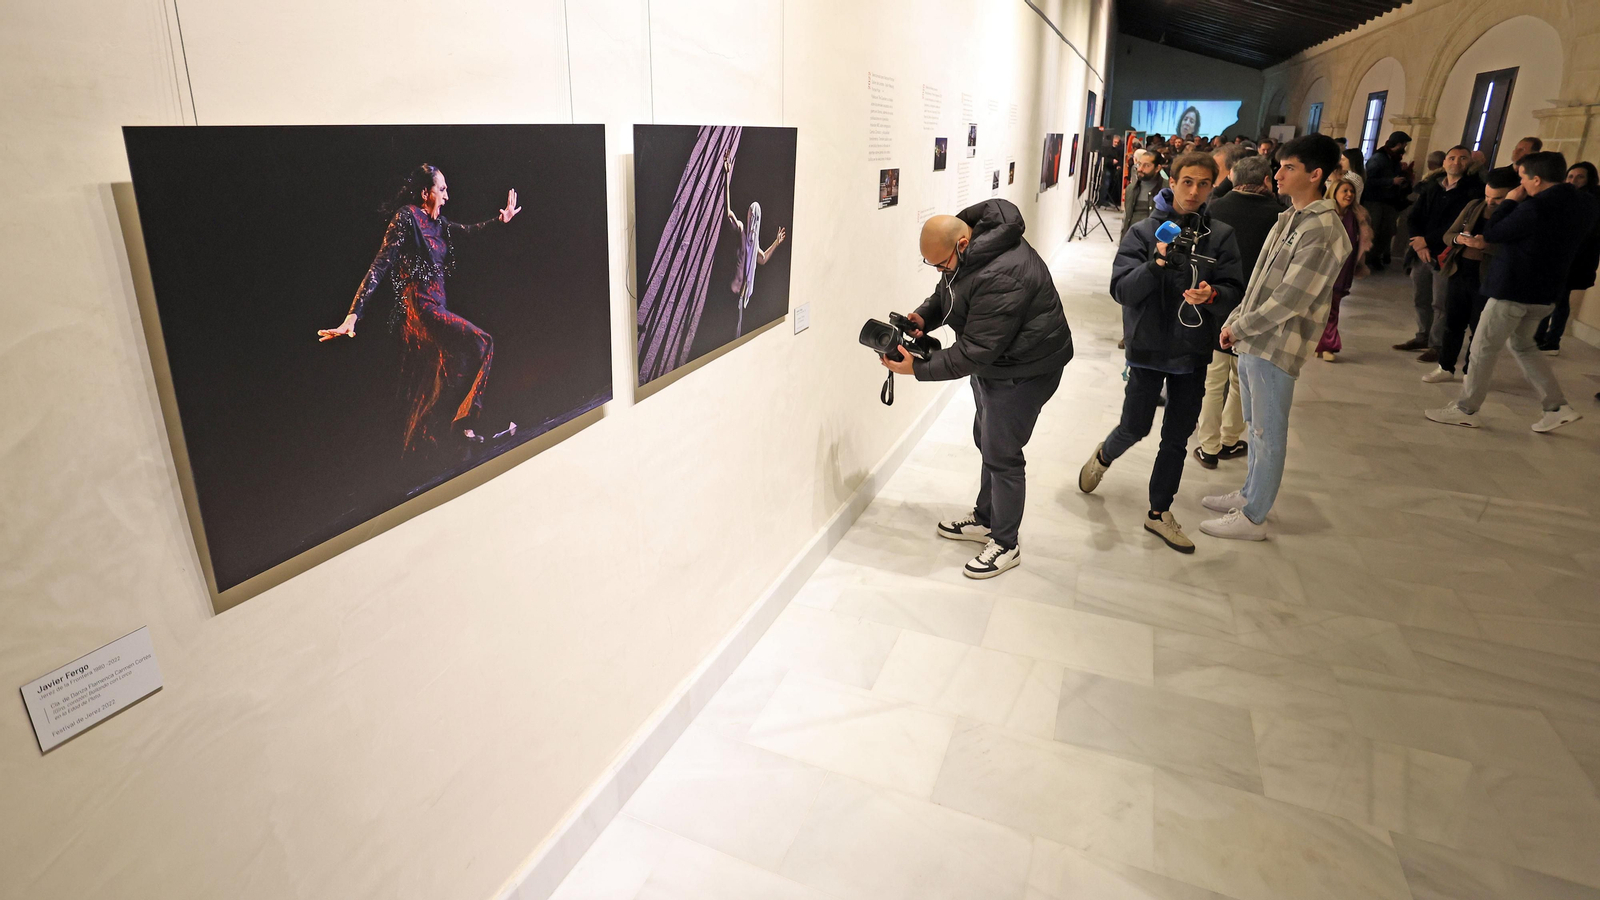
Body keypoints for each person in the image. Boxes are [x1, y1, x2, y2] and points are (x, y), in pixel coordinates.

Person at [883, 200, 1074, 578]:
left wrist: (917, 369)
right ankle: (987, 517)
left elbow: (975, 351)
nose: (939, 271)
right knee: (985, 437)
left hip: (1025, 368)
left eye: (940, 263)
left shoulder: (1004, 272)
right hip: (999, 363)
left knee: (1002, 452)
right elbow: (949, 290)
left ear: (962, 245)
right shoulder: (972, 251)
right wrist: (925, 316)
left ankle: (1006, 542)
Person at [1078, 152, 1245, 553]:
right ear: (1174, 180)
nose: (1194, 191)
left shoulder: (1220, 236)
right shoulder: (1142, 232)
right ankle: (1104, 455)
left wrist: (1214, 294)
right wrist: (1156, 262)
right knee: (1135, 426)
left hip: (1193, 351)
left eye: (1204, 184)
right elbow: (1122, 291)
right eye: (1187, 181)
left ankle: (1159, 512)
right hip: (1147, 348)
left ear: (1213, 186)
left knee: (1176, 437)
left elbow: (1235, 288)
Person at [1201, 134, 1351, 541]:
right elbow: (1260, 283)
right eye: (1279, 165)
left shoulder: (1321, 228)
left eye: (1289, 168)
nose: (1277, 173)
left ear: (1316, 174)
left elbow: (1291, 299)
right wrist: (1237, 318)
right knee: (1255, 426)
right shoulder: (1289, 217)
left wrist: (1240, 326)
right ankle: (1250, 493)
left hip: (1276, 344)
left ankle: (1254, 516)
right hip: (1256, 339)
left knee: (1268, 434)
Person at [318, 165, 521, 455]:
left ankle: (434, 444)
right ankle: (470, 424)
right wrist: (353, 315)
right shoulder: (407, 217)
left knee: (449, 373)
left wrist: (500, 221)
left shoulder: (440, 225)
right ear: (425, 192)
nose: (447, 197)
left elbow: (470, 232)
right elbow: (380, 264)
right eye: (442, 190)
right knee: (483, 342)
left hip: (438, 305)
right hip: (422, 308)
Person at [1425, 151, 1596, 433]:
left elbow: (1494, 232)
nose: (1521, 186)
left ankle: (1466, 409)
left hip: (1513, 289)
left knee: (1482, 348)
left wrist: (1510, 204)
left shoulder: (1534, 207)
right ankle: (1556, 407)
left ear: (1537, 180)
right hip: (1547, 291)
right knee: (1524, 346)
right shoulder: (1585, 204)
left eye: (1523, 179)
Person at [1195, 155, 1280, 468]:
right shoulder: (1280, 215)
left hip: (1215, 301)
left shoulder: (1214, 208)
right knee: (1239, 380)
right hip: (1257, 309)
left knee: (1214, 379)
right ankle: (1230, 438)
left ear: (1232, 176)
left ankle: (1208, 445)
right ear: (1267, 181)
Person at [1422, 166, 1519, 384]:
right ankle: (1445, 367)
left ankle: (1470, 372)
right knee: (1453, 322)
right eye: (1487, 195)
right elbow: (1449, 235)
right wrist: (1460, 240)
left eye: (1498, 198)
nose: (1491, 202)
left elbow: (1513, 248)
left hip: (1488, 277)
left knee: (1480, 328)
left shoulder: (1516, 214)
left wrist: (1485, 246)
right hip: (1461, 271)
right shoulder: (1474, 206)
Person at [1395, 146, 1481, 359]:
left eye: (1462, 158)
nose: (1456, 162)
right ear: (1444, 163)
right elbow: (1413, 217)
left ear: (1469, 162)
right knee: (1420, 297)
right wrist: (1418, 243)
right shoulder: (1432, 186)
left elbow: (1459, 225)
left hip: (1446, 253)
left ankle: (1437, 344)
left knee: (1441, 302)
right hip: (1421, 251)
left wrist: (1427, 241)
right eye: (1452, 158)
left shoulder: (1473, 191)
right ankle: (1422, 335)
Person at [1534, 161, 1600, 354]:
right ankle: (1540, 336)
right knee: (1553, 297)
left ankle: (1552, 339)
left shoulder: (1591, 201)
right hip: (1562, 256)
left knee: (1559, 299)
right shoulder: (1567, 197)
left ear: (1589, 180)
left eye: (1580, 177)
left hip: (1576, 259)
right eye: (1570, 176)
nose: (1574, 180)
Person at [723, 155, 788, 336]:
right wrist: (776, 242)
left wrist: (726, 177)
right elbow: (763, 259)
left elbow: (728, 213)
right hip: (738, 295)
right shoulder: (751, 241)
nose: (749, 214)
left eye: (751, 213)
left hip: (735, 294)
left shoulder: (745, 232)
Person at [1315, 176, 1372, 361]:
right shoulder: (1323, 213)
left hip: (1343, 268)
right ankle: (1319, 343)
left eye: (1351, 191)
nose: (1349, 195)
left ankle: (1328, 345)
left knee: (1333, 307)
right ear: (1334, 193)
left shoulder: (1357, 216)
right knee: (1318, 308)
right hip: (1321, 267)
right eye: (1345, 191)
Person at [1362, 131, 1412, 271]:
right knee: (1373, 230)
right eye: (1404, 144)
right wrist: (1391, 181)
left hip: (1389, 201)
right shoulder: (1379, 158)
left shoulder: (1393, 159)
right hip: (1375, 201)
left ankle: (1376, 257)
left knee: (1387, 231)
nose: (1405, 147)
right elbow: (1369, 180)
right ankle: (1366, 259)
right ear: (1399, 144)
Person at [1122, 149, 1168, 238]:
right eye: (1139, 164)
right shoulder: (1131, 189)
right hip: (1132, 239)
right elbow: (1126, 219)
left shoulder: (1167, 190)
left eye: (1146, 165)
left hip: (1155, 242)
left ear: (1157, 168)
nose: (1140, 169)